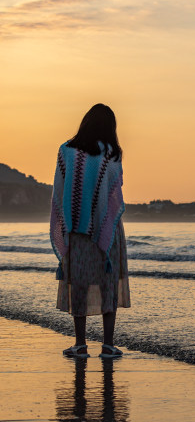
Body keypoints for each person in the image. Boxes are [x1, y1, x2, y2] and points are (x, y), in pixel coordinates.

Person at [50, 103, 131, 358]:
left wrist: (70, 221)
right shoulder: (111, 154)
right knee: (108, 285)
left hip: (77, 230)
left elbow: (60, 193)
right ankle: (108, 346)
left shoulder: (66, 151)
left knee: (80, 285)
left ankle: (81, 344)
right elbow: (113, 195)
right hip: (107, 231)